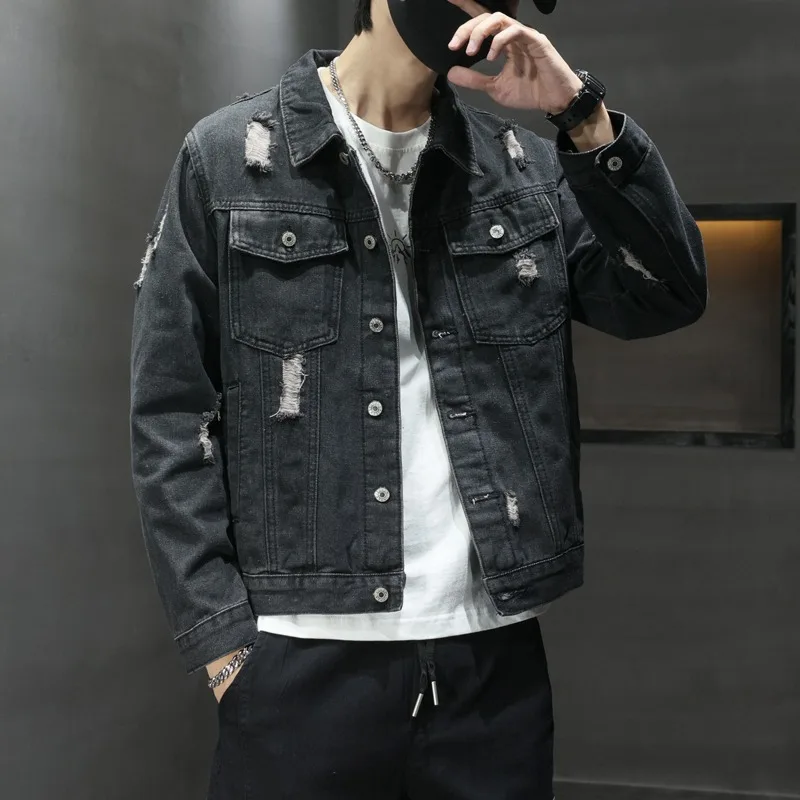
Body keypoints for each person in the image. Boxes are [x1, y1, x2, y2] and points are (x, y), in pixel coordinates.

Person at [129, 0, 708, 796]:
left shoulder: (521, 168)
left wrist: (581, 117)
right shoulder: (230, 158)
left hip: (489, 669)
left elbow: (666, 292)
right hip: (300, 663)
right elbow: (170, 410)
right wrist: (223, 643)